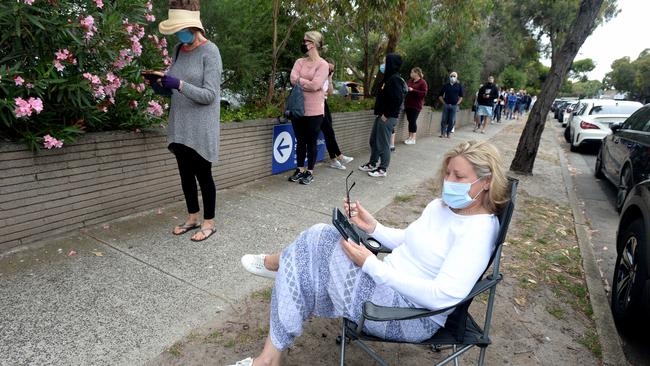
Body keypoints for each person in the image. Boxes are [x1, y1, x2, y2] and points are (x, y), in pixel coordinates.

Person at [233, 140, 510, 366]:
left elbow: (443, 295)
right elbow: (409, 241)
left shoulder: (478, 231)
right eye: (448, 173)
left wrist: (372, 266)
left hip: (411, 315)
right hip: (386, 284)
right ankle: (269, 354)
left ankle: (276, 266)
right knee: (321, 241)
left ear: (486, 182)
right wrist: (373, 226)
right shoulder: (441, 207)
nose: (449, 181)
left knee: (320, 239)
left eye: (459, 177)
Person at [156, 0, 222, 242]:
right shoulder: (177, 50)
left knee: (203, 175)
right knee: (185, 175)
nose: (178, 34)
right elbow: (173, 90)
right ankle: (193, 217)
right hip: (180, 124)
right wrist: (161, 85)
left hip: (201, 127)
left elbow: (210, 95)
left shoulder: (210, 51)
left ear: (193, 27)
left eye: (181, 29)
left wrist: (180, 85)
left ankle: (209, 222)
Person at [287, 31, 329, 185]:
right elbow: (292, 79)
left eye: (304, 41)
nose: (302, 43)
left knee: (311, 141)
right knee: (300, 140)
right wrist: (308, 84)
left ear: (312, 43)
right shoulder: (299, 61)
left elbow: (317, 85)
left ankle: (309, 171)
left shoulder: (323, 64)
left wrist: (301, 82)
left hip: (314, 110)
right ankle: (299, 169)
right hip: (298, 108)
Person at [358, 53, 405, 178]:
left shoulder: (395, 79)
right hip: (382, 115)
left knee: (383, 144)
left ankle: (382, 169)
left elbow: (397, 100)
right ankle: (372, 163)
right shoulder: (388, 78)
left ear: (391, 64)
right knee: (374, 140)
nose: (383, 64)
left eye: (385, 62)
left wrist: (387, 115)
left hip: (387, 117)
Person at [322, 60, 354, 170]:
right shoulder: (317, 75)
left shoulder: (326, 78)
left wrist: (330, 77)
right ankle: (339, 156)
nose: (330, 71)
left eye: (332, 69)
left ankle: (334, 159)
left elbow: (329, 93)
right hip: (317, 105)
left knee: (329, 132)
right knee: (329, 132)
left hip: (324, 104)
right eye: (328, 68)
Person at [404, 67, 428, 145]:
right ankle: (409, 137)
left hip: (416, 105)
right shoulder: (410, 81)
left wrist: (413, 90)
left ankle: (413, 138)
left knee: (413, 121)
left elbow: (424, 94)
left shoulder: (422, 82)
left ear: (417, 73)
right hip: (408, 104)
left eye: (412, 72)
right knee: (409, 120)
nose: (411, 73)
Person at [438, 71, 464, 138]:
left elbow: (461, 97)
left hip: (454, 106)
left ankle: (448, 133)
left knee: (451, 121)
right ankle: (442, 133)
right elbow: (440, 96)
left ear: (456, 77)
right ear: (449, 77)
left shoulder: (459, 86)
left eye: (454, 76)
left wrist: (457, 103)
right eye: (451, 76)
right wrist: (444, 103)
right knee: (444, 120)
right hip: (446, 105)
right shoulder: (446, 85)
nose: (452, 77)